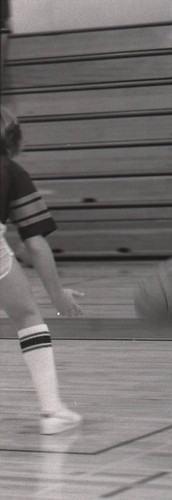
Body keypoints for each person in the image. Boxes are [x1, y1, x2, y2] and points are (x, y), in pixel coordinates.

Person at [0, 107, 84, 433]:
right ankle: (51, 411)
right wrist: (57, 293)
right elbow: (34, 243)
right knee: (27, 316)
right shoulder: (12, 172)